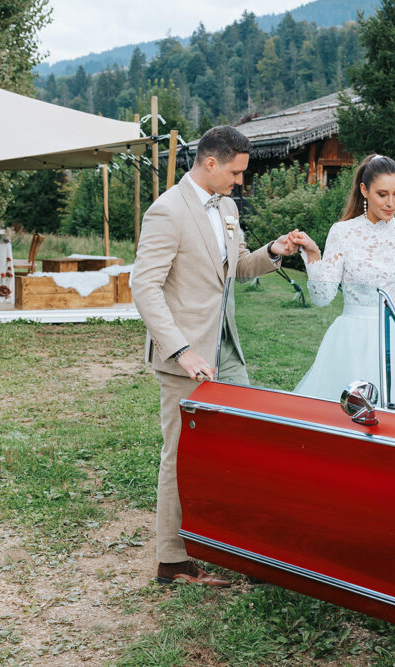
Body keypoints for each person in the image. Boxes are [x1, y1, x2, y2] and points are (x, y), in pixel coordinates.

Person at [132, 125, 301, 586]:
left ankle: (239, 547)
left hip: (226, 348)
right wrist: (181, 349)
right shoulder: (166, 211)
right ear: (211, 163)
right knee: (182, 455)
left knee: (240, 445)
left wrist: (274, 251)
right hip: (185, 357)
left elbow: (239, 267)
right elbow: (143, 287)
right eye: (235, 171)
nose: (240, 181)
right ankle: (173, 560)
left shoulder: (225, 207)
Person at [289, 154, 395, 406]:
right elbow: (323, 298)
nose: (391, 203)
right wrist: (313, 255)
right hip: (353, 340)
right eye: (382, 194)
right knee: (350, 415)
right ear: (364, 190)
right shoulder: (343, 232)